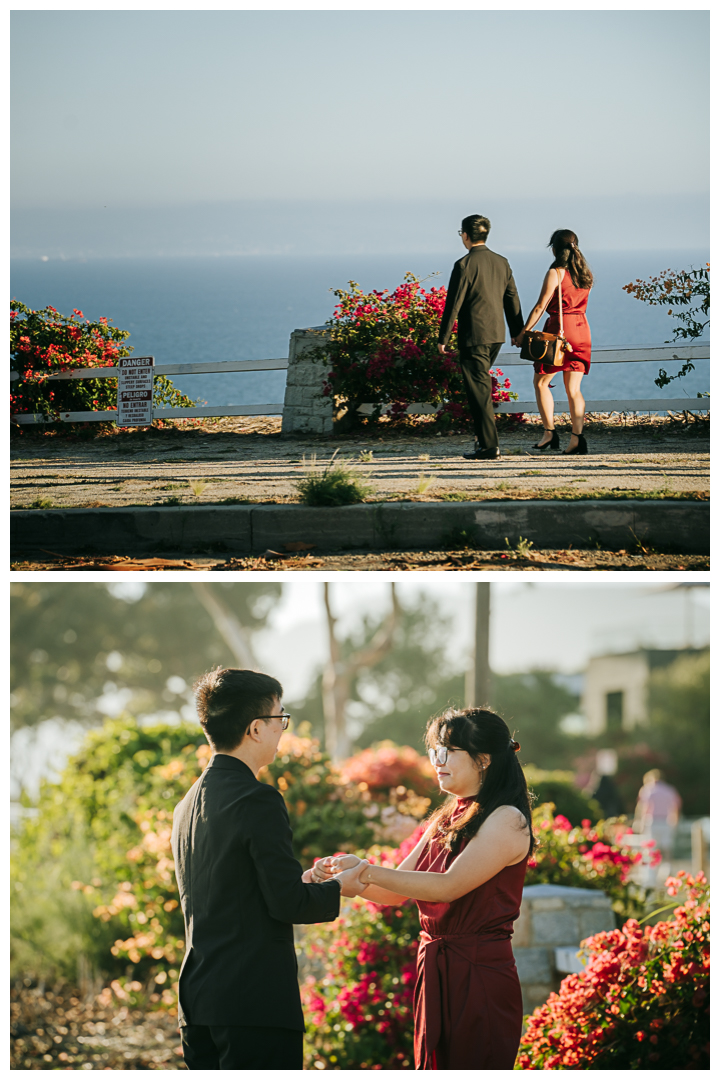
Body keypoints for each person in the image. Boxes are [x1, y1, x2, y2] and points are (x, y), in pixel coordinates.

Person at [312, 707, 534, 1070]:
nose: (437, 762)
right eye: (434, 752)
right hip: (435, 968)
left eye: (447, 752)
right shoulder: (447, 817)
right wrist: (344, 880)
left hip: (478, 973)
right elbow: (396, 892)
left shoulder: (506, 819)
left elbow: (447, 887)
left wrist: (366, 870)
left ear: (483, 759)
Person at [170, 667, 366, 1071]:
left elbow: (236, 892)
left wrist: (306, 880)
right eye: (280, 719)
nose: (283, 730)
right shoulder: (256, 799)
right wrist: (341, 887)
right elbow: (289, 905)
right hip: (253, 1004)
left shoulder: (186, 804)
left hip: (198, 1001)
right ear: (256, 728)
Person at [437, 215, 524, 461]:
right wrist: (517, 332)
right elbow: (512, 299)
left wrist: (443, 337)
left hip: (473, 336)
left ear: (465, 235)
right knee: (481, 388)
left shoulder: (463, 265)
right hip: (496, 335)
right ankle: (483, 442)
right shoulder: (502, 262)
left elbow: (453, 304)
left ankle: (488, 447)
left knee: (479, 392)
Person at [512, 229, 593, 455]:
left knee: (541, 383)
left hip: (560, 330)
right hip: (582, 329)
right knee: (574, 390)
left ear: (554, 249)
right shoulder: (585, 274)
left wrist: (523, 333)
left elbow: (540, 306)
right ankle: (577, 438)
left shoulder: (555, 273)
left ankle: (549, 433)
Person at [634, 768, 682, 860]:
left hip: (652, 822)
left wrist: (640, 822)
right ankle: (667, 868)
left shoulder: (647, 790)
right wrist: (675, 821)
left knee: (650, 847)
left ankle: (651, 871)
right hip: (667, 822)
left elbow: (643, 807)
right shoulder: (669, 790)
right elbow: (676, 806)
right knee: (667, 848)